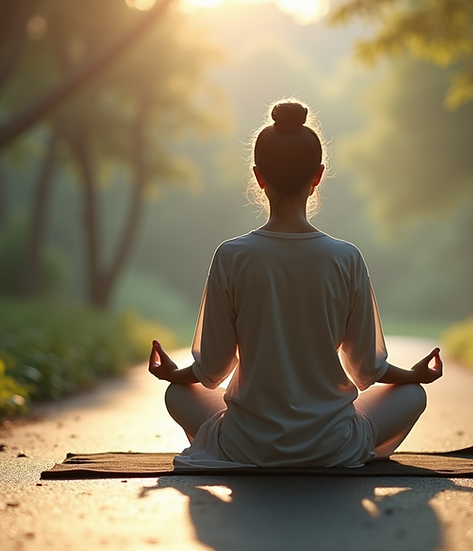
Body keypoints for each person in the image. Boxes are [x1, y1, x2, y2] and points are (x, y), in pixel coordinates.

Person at [148, 99, 443, 469]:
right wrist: (413, 375)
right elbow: (366, 369)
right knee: (412, 396)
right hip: (332, 443)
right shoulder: (346, 257)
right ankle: (338, 448)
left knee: (178, 394)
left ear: (258, 177)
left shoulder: (232, 256)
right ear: (318, 176)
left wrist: (174, 374)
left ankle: (242, 445)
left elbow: (213, 369)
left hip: (248, 444)